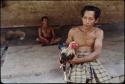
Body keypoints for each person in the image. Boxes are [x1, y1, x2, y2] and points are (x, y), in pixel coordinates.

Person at [65, 5, 112, 83]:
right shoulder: (73, 31)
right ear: (82, 18)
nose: (87, 21)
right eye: (85, 18)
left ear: (96, 20)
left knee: (104, 80)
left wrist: (78, 60)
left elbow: (97, 53)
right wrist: (67, 56)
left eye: (90, 19)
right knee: (76, 80)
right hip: (76, 58)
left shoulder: (98, 32)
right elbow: (66, 46)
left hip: (91, 59)